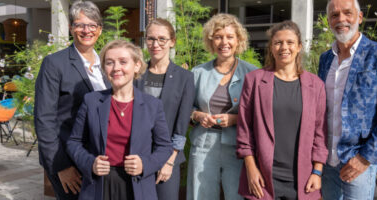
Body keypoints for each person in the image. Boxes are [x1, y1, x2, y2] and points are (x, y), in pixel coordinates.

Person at [318, 0, 377, 199]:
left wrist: (365, 158)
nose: (341, 19)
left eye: (347, 13)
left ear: (360, 17)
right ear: (329, 21)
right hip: (327, 159)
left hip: (357, 158)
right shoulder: (325, 59)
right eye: (334, 15)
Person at [66, 40, 173, 200]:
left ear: (136, 65)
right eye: (109, 63)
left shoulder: (152, 105)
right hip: (99, 185)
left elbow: (165, 146)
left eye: (123, 62)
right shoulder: (92, 101)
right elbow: (73, 142)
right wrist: (90, 163)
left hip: (138, 185)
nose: (116, 68)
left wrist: (145, 164)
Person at [236, 20, 328, 200]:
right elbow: (244, 130)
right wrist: (251, 169)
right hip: (263, 179)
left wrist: (317, 172)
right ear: (271, 47)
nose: (284, 47)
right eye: (278, 42)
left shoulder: (315, 85)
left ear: (299, 46)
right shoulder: (254, 81)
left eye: (290, 42)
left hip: (303, 180)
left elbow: (320, 134)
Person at [34, 1, 109, 199]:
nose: (86, 30)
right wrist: (61, 166)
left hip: (100, 159)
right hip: (68, 159)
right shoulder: (54, 64)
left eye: (92, 25)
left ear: (100, 30)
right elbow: (44, 118)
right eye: (80, 25)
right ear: (71, 28)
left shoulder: (107, 63)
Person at [187, 13, 258, 200]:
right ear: (211, 41)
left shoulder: (253, 73)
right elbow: (185, 108)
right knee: (200, 195)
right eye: (218, 37)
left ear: (238, 40)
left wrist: (235, 119)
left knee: (237, 196)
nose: (223, 42)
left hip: (238, 147)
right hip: (203, 144)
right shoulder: (198, 72)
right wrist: (198, 116)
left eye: (229, 37)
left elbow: (260, 113)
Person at [133, 18, 195, 200]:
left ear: (172, 42)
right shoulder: (136, 73)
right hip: (137, 156)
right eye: (151, 39)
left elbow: (182, 124)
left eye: (162, 39)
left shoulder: (185, 77)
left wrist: (169, 161)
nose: (155, 44)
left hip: (167, 157)